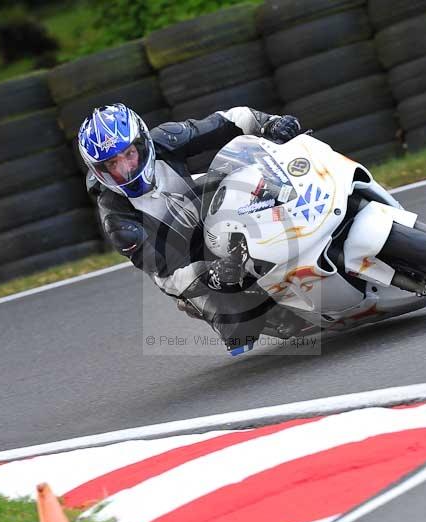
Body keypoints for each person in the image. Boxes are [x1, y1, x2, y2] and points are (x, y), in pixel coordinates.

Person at [77, 103, 301, 354]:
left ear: (142, 143)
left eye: (129, 153)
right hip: (186, 261)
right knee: (241, 326)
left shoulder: (165, 139)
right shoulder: (117, 219)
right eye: (112, 164)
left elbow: (226, 121)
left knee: (247, 176)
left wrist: (269, 123)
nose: (126, 168)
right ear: (99, 170)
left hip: (208, 212)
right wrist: (212, 274)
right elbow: (164, 273)